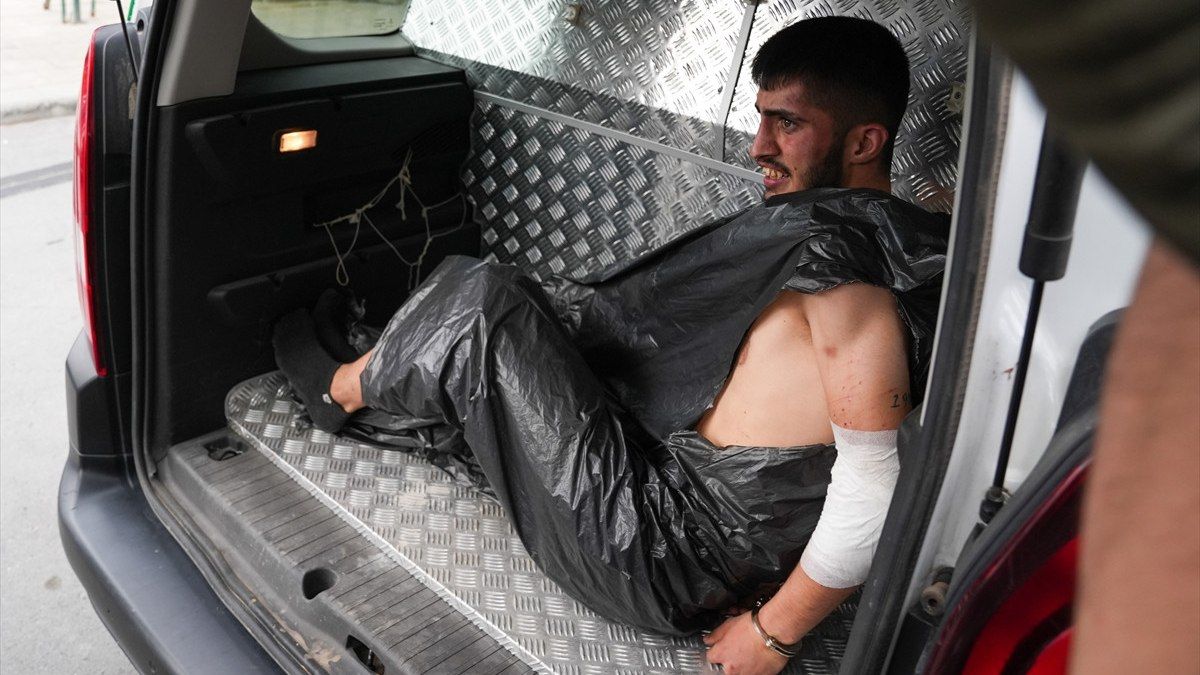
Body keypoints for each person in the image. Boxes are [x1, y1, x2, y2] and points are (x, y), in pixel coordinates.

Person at [273, 17, 944, 674]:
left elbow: (874, 481)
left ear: (864, 142)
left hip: (660, 554)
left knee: (483, 305)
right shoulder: (883, 238)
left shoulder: (849, 276)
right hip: (663, 492)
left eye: (787, 124)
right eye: (761, 118)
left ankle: (336, 390)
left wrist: (773, 635)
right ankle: (383, 360)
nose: (758, 147)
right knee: (531, 313)